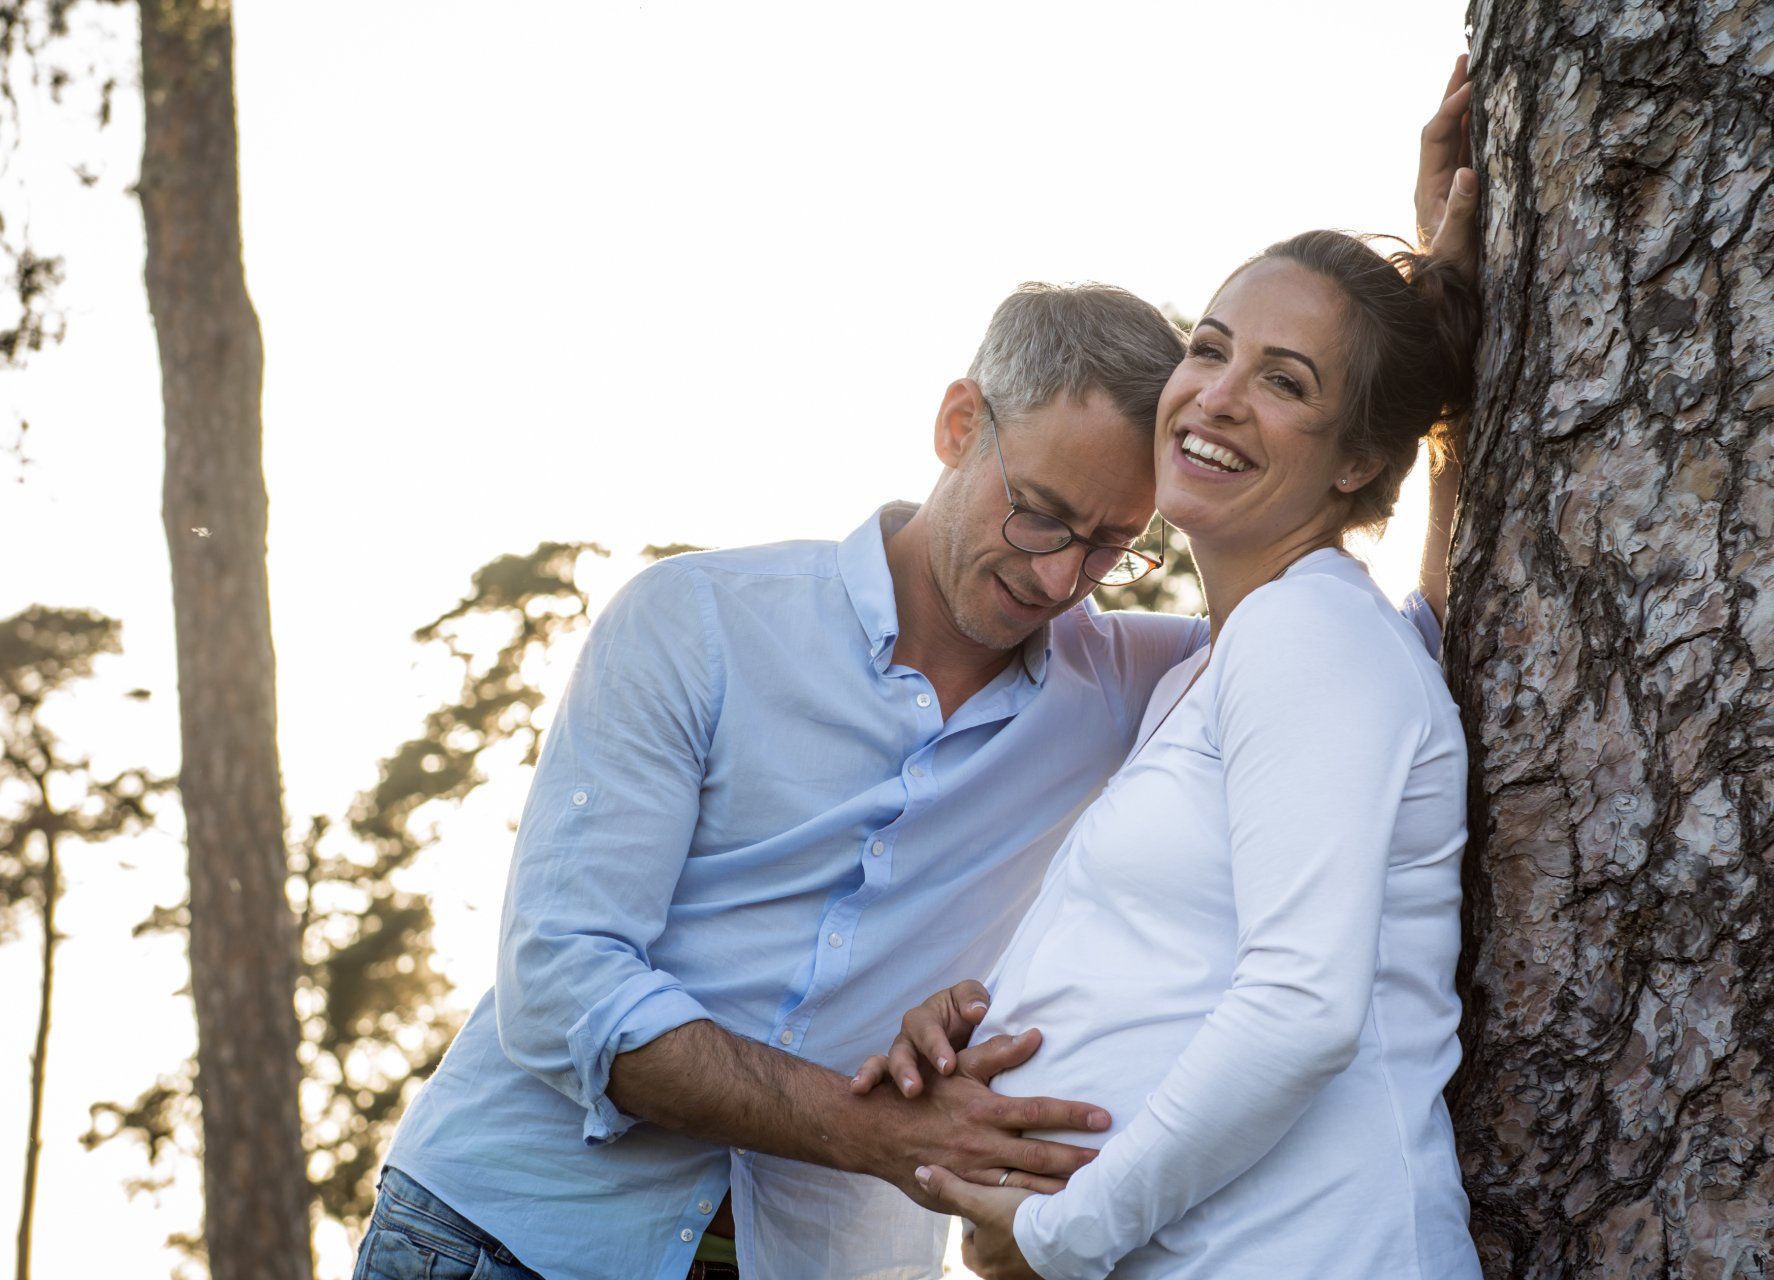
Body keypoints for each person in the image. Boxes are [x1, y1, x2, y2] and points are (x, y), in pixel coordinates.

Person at [354, 62, 1481, 1280]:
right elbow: (560, 982)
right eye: (1041, 512)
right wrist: (875, 1122)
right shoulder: (695, 621)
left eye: (1112, 545)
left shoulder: (1149, 677)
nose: (1060, 578)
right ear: (958, 424)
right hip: (515, 1235)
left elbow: (1393, 645)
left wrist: (1435, 340)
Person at [866, 227, 1482, 1279]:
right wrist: (997, 997)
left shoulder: (1311, 636)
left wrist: (1063, 1229)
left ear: (1359, 460)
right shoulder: (1223, 660)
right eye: (1209, 348)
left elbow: (1301, 1010)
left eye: (1283, 380)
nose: (1219, 395)